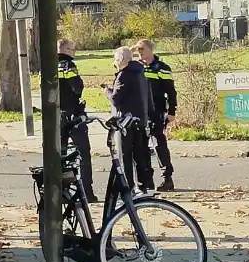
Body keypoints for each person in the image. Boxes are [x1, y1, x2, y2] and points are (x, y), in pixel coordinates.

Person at [104, 46, 154, 194]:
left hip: (126, 122)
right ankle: (145, 186)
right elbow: (148, 97)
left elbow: (116, 99)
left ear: (120, 59)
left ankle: (127, 188)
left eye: (115, 59)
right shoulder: (140, 73)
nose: (114, 62)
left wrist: (107, 91)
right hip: (141, 120)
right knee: (141, 154)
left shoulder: (124, 75)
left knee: (125, 155)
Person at [133, 38, 177, 192]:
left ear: (151, 50)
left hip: (156, 112)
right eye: (137, 50)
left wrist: (171, 111)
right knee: (141, 147)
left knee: (159, 145)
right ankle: (147, 180)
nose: (139, 53)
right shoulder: (136, 68)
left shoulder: (162, 68)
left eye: (142, 49)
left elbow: (171, 92)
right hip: (139, 112)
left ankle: (167, 178)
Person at [57, 38, 96, 202]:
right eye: (72, 49)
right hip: (72, 114)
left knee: (60, 153)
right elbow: (77, 87)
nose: (74, 53)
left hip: (56, 116)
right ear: (65, 49)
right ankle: (87, 192)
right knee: (83, 153)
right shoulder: (68, 65)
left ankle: (61, 189)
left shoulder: (47, 64)